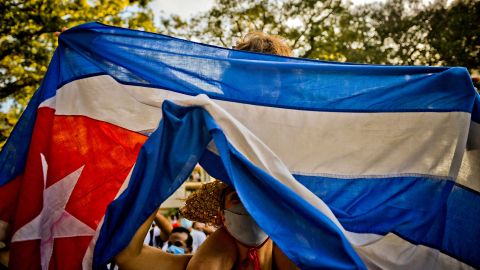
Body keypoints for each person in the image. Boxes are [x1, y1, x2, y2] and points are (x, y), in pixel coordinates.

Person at [181, 181, 298, 270]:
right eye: (237, 197)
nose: (249, 204)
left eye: (258, 197)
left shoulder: (297, 257)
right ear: (222, 215)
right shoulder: (206, 260)